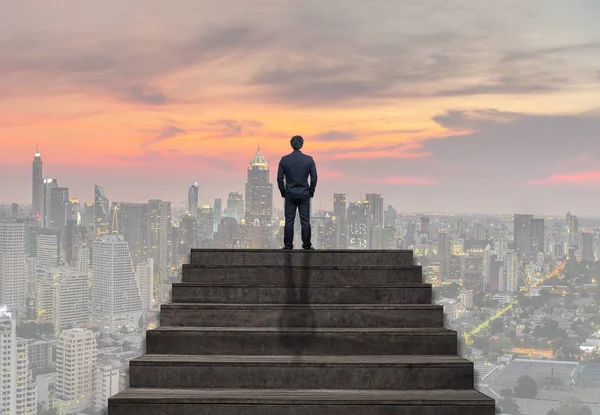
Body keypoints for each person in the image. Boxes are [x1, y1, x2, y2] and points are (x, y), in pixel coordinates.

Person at [277, 135, 317, 250]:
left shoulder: (284, 160)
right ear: (302, 144)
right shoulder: (309, 160)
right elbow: (314, 178)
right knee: (305, 220)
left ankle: (288, 245)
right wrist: (311, 191)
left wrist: (283, 192)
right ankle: (307, 245)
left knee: (289, 221)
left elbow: (279, 179)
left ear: (291, 144)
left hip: (290, 194)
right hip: (304, 194)